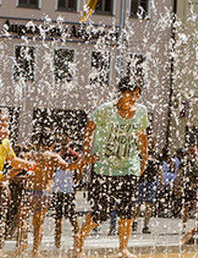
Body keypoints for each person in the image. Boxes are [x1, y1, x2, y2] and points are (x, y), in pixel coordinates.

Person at [73, 75, 151, 258]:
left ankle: (123, 248)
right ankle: (79, 239)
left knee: (127, 209)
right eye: (129, 94)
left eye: (136, 95)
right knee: (101, 211)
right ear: (121, 93)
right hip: (105, 167)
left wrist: (144, 158)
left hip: (129, 166)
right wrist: (87, 153)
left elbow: (142, 135)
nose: (133, 98)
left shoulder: (141, 111)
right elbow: (89, 129)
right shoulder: (105, 110)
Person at [15, 132, 90, 258]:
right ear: (52, 144)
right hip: (44, 192)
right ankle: (36, 251)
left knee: (22, 218)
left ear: (35, 143)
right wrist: (83, 161)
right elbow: (68, 166)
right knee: (39, 222)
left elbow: (18, 168)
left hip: (29, 191)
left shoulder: (29, 155)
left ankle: (22, 243)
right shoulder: (53, 157)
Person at [51, 142, 82, 249]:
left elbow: (79, 169)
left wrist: (76, 185)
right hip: (57, 189)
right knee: (58, 216)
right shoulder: (56, 154)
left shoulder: (74, 155)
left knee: (72, 214)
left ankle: (77, 238)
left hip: (68, 189)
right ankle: (57, 241)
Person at [177, 144, 198, 229]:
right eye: (190, 149)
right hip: (186, 186)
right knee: (185, 206)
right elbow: (180, 174)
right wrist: (177, 184)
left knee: (197, 206)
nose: (192, 151)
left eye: (194, 150)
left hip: (196, 187)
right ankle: (184, 225)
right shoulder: (184, 162)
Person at [135, 151, 161, 234]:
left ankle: (144, 225)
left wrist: (159, 182)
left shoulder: (154, 156)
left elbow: (159, 171)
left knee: (147, 205)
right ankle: (137, 222)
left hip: (148, 183)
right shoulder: (140, 155)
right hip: (142, 183)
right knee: (139, 204)